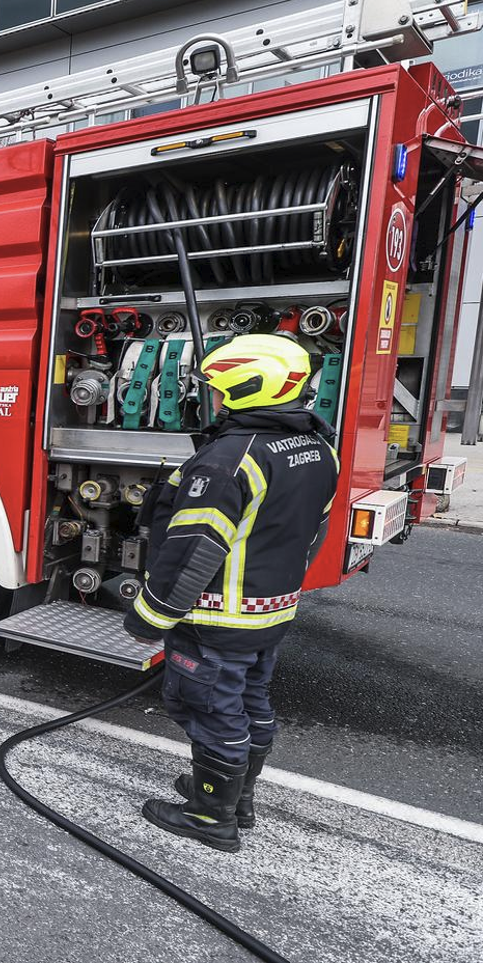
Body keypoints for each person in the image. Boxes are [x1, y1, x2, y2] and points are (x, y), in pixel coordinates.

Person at [124, 333, 338, 852]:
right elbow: (314, 536)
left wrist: (150, 617)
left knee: (207, 707)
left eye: (217, 389)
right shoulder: (318, 449)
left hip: (217, 619)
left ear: (246, 388)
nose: (210, 399)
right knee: (249, 701)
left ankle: (209, 815)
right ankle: (234, 796)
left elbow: (194, 550)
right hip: (270, 613)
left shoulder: (230, 461)